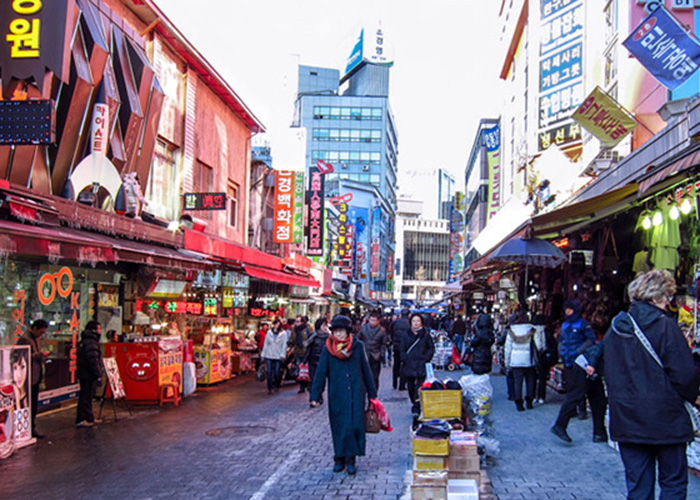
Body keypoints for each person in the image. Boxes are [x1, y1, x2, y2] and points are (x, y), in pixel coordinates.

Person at [584, 270, 699, 499]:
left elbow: (610, 371)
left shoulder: (616, 328)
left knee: (638, 487)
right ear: (656, 298)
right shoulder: (666, 327)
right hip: (666, 422)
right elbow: (684, 376)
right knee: (673, 484)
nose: (669, 303)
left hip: (628, 420)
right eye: (666, 297)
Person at [309, 314, 377, 475]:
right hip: (337, 395)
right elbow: (321, 372)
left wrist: (372, 395)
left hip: (356, 394)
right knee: (339, 427)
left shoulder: (357, 346)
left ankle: (351, 459)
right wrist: (315, 395)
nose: (339, 335)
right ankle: (339, 458)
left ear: (348, 332)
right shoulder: (328, 348)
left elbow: (366, 370)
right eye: (336, 331)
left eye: (342, 331)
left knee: (354, 426)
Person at [550, 300, 607, 443]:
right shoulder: (565, 325)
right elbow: (562, 341)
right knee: (576, 394)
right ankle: (560, 425)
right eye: (566, 309)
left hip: (583, 362)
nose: (567, 312)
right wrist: (563, 354)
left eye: (569, 309)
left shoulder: (582, 324)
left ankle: (599, 433)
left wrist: (578, 352)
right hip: (576, 365)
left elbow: (590, 340)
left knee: (597, 397)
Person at [504, 313, 543, 411]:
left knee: (518, 382)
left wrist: (507, 362)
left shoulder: (511, 331)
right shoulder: (532, 330)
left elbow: (507, 349)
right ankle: (529, 401)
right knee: (530, 381)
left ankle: (519, 403)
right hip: (529, 360)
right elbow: (539, 346)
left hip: (515, 361)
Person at [17, 319, 48, 438]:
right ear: (34, 328)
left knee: (34, 404)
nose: (41, 335)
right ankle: (27, 428)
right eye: (40, 332)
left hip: (36, 374)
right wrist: (38, 355)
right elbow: (21, 357)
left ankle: (32, 427)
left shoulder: (37, 339)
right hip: (28, 376)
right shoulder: (25, 339)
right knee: (28, 403)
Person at [400, 313, 435, 415]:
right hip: (409, 364)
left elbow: (431, 348)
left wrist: (426, 358)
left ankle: (417, 407)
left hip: (421, 364)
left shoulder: (425, 335)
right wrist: (404, 358)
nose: (415, 323)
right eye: (414, 321)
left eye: (418, 321)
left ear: (421, 323)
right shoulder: (406, 335)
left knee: (418, 388)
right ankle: (414, 402)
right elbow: (401, 348)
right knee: (410, 387)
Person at [76, 321, 103, 427]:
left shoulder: (87, 341)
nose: (100, 331)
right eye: (99, 328)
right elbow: (93, 359)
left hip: (86, 373)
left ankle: (89, 417)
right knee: (86, 396)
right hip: (87, 374)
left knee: (88, 396)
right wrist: (98, 373)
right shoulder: (91, 342)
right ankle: (81, 418)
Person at [357, 311, 388, 391]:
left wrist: (381, 354)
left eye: (374, 320)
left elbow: (383, 344)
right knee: (364, 376)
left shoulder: (382, 330)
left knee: (374, 377)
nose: (372, 322)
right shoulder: (364, 328)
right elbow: (358, 339)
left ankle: (373, 394)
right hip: (365, 355)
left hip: (375, 356)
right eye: (371, 320)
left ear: (378, 321)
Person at [304, 317, 330, 402]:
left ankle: (319, 395)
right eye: (323, 325)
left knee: (322, 381)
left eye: (325, 325)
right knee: (313, 380)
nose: (325, 327)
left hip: (323, 362)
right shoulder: (313, 336)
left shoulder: (328, 337)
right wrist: (304, 361)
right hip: (313, 361)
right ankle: (313, 398)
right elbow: (309, 349)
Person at [261, 320, 288, 395]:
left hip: (278, 355)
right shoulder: (269, 333)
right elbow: (266, 344)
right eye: (275, 324)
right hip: (269, 354)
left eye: (277, 325)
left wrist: (283, 354)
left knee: (276, 371)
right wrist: (263, 354)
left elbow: (284, 345)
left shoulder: (283, 334)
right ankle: (269, 388)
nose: (276, 326)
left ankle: (277, 385)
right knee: (269, 372)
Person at [389, 309, 411, 390]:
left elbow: (390, 332)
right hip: (405, 347)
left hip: (396, 346)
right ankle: (402, 385)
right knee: (404, 365)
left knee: (396, 364)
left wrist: (393, 341)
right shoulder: (409, 323)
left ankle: (394, 383)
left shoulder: (395, 322)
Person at [288, 316, 310, 393]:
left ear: (302, 322)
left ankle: (306, 384)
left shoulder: (308, 329)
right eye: (296, 321)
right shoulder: (294, 330)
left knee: (306, 370)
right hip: (298, 352)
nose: (296, 323)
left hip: (306, 352)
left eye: (298, 321)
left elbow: (310, 338)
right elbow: (292, 339)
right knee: (299, 369)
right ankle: (302, 386)